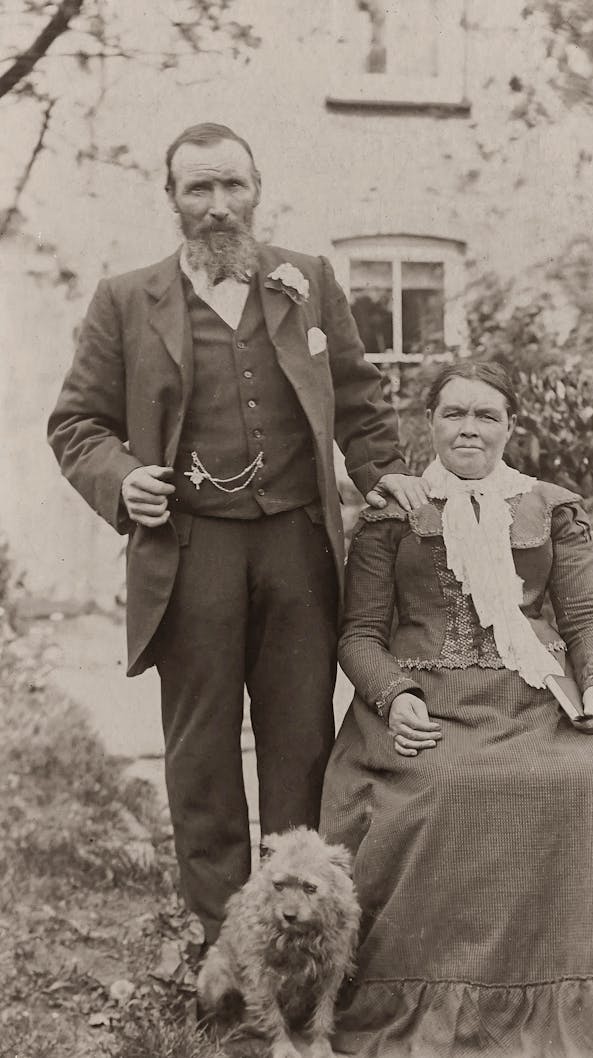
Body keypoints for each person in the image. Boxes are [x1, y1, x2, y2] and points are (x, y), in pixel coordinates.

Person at [48, 122, 428, 945]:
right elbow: (77, 424)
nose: (219, 208)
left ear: (257, 189)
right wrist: (124, 481)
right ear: (173, 199)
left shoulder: (310, 280)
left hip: (296, 545)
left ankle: (303, 930)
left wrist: (392, 483)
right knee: (202, 749)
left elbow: (361, 405)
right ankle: (225, 939)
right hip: (192, 552)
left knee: (302, 741)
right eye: (199, 190)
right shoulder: (126, 298)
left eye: (233, 187)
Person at [320, 361, 593, 1058]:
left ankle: (565, 994)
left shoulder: (548, 506)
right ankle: (426, 997)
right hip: (426, 699)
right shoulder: (395, 509)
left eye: (487, 416)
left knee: (585, 783)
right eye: (455, 413)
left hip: (531, 694)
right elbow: (360, 634)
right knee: (440, 788)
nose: (470, 429)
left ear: (510, 428)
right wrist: (394, 697)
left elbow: (586, 614)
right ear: (428, 423)